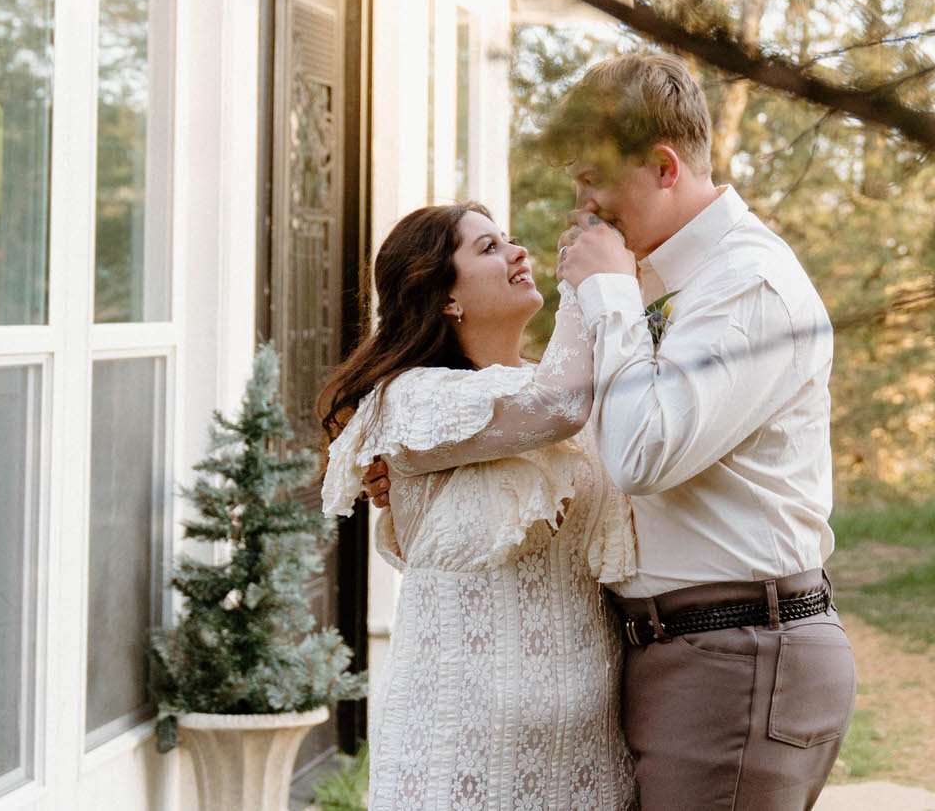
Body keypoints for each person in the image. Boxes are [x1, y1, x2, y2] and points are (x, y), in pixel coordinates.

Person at [370, 52, 856, 810]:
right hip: (673, 658)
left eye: (594, 176)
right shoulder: (665, 282)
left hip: (737, 651)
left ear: (663, 166)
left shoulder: (744, 285)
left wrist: (604, 289)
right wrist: (429, 478)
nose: (585, 202)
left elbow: (639, 453)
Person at [317, 203, 637, 811]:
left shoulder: (555, 384)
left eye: (511, 241)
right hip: (460, 745)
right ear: (445, 298)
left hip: (587, 750)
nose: (518, 253)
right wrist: (586, 284)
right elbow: (556, 407)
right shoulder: (411, 402)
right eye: (489, 248)